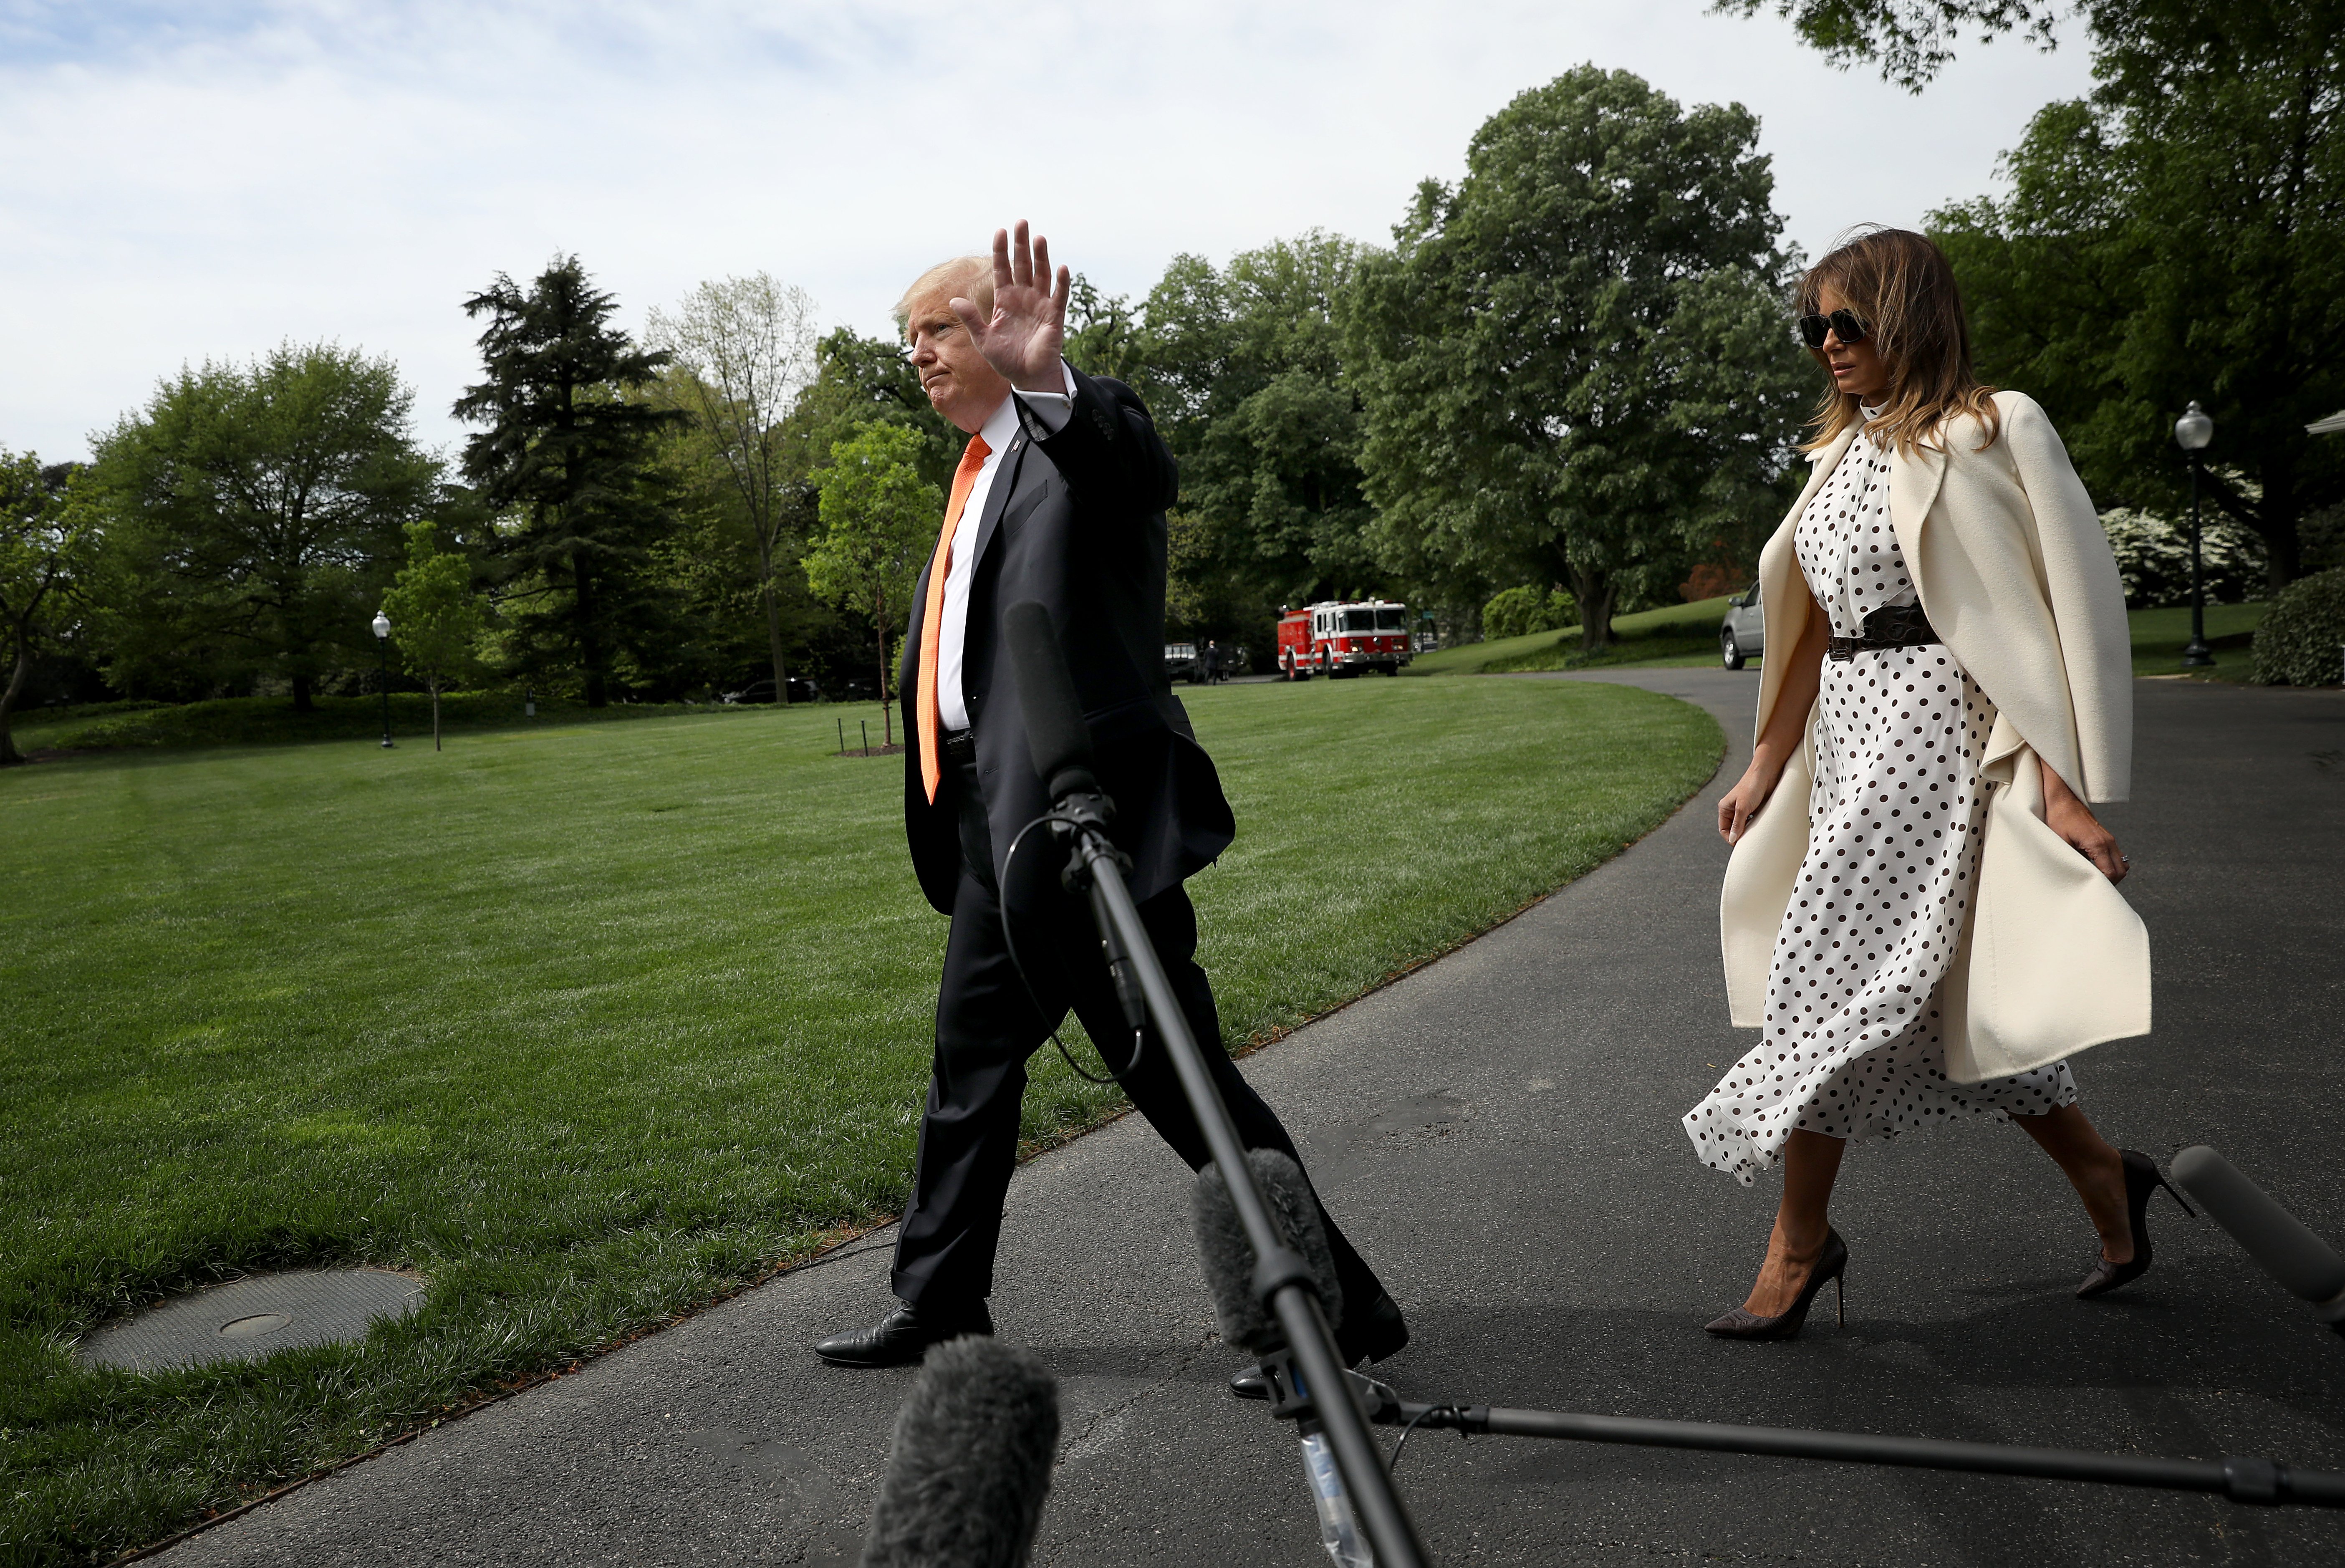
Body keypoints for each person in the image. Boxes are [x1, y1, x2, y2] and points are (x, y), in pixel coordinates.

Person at [813, 225, 1408, 1386]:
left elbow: (1134, 471)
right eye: (910, 339)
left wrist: (1050, 385)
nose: (919, 356)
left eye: (938, 328)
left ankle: (1330, 1320)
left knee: (1173, 1066)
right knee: (969, 1063)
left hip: (1083, 818)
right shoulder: (976, 466)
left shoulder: (1070, 433)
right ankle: (937, 1304)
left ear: (1004, 326)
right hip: (993, 823)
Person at [1686, 227, 2178, 1340]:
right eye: (1810, 326)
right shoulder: (1834, 456)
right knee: (1948, 1002)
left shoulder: (1991, 429)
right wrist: (1765, 757)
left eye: (1845, 323)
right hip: (1850, 737)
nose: (1824, 344)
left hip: (1940, 736)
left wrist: (2058, 787)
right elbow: (1813, 622)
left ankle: (1798, 1244)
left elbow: (2039, 612)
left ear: (1905, 315)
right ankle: (2107, 1180)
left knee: (1824, 979)